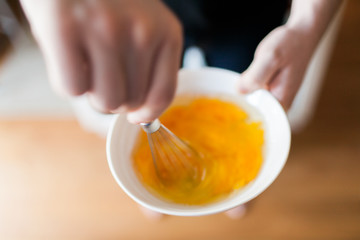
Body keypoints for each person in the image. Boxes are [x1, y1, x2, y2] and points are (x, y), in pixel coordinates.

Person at [19, 0, 341, 219]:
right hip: (146, 12)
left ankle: (240, 193)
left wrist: (305, 25)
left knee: (242, 73)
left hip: (249, 11)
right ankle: (152, 192)